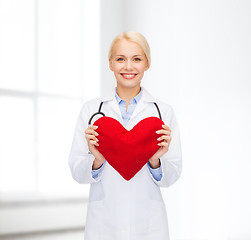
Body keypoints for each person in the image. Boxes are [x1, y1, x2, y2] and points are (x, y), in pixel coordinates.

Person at [68, 31, 182, 240]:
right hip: (104, 223)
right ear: (110, 63)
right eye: (120, 59)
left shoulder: (163, 112)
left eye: (136, 59)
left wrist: (155, 160)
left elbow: (172, 174)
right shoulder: (91, 110)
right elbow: (77, 170)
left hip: (148, 224)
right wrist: (98, 159)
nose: (128, 66)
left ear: (147, 64)